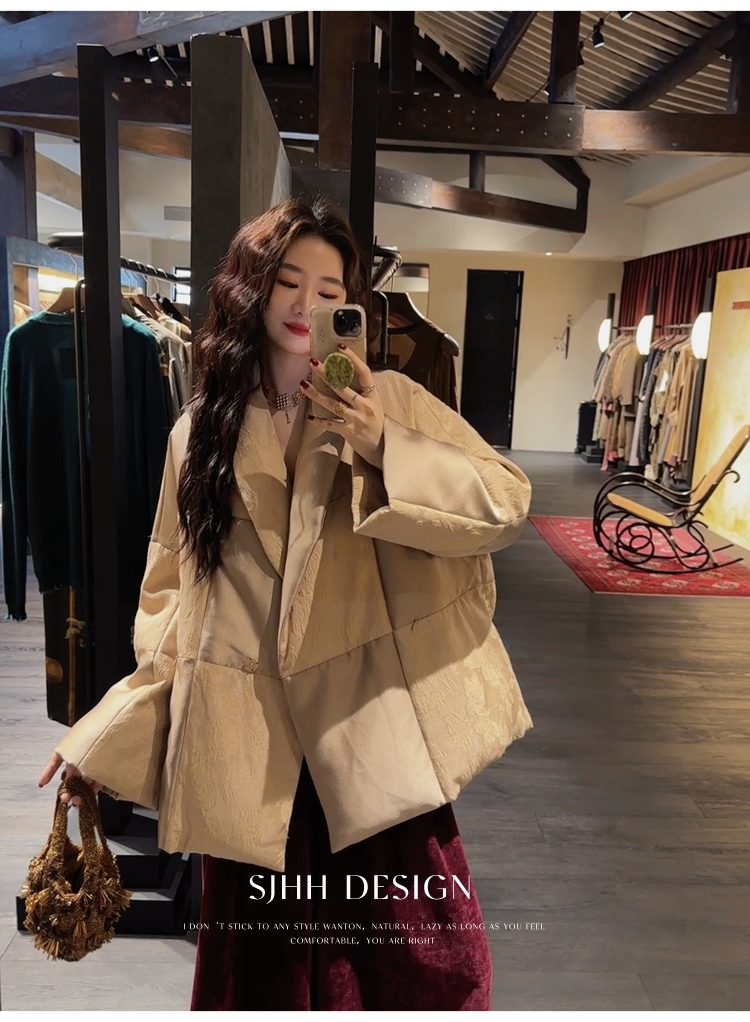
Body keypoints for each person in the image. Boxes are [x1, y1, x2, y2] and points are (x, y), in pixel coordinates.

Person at [38, 198, 533, 1010]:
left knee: (425, 969)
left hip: (371, 740)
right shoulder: (201, 431)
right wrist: (106, 733)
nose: (307, 304)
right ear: (252, 288)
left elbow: (504, 505)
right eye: (288, 281)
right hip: (252, 751)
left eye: (329, 289)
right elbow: (173, 604)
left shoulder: (392, 400)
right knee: (265, 985)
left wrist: (383, 444)